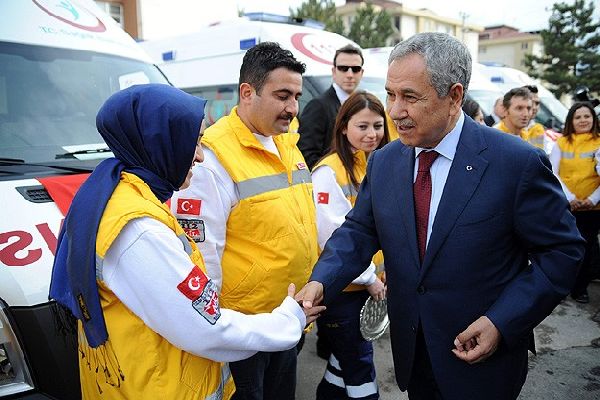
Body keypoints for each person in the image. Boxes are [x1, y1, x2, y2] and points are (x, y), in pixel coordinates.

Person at [296, 32, 584, 400]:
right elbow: (359, 231)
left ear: (455, 97)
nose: (395, 110)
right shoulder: (385, 161)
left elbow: (562, 253)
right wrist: (323, 280)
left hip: (483, 364)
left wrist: (502, 321)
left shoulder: (515, 163)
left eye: (410, 97)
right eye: (391, 94)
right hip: (413, 356)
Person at [48, 84, 324, 399]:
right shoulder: (138, 230)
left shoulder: (123, 196)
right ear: (158, 143)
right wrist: (288, 321)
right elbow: (205, 326)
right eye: (192, 142)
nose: (200, 155)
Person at [172, 42, 319, 400]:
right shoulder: (214, 157)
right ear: (247, 92)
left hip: (288, 317)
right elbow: (202, 254)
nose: (292, 108)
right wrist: (214, 333)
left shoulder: (285, 142)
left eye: (297, 96)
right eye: (282, 95)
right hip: (243, 331)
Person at [311, 90, 388, 400]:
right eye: (363, 126)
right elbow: (332, 236)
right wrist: (370, 279)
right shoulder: (329, 171)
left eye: (378, 126)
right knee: (359, 369)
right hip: (344, 291)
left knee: (343, 363)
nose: (372, 134)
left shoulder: (375, 163)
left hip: (366, 288)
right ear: (344, 127)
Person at [550, 101, 600, 304]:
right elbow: (553, 172)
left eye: (587, 116)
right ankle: (561, 288)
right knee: (565, 248)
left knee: (587, 249)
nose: (582, 120)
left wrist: (591, 199)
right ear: (571, 120)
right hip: (567, 206)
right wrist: (571, 199)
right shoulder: (561, 142)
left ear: (593, 119)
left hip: (593, 208)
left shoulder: (598, 142)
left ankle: (580, 289)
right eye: (578, 117)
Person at [298, 44, 364, 169]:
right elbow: (306, 154)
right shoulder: (318, 106)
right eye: (343, 68)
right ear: (334, 72)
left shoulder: (363, 105)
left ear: (361, 72)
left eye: (355, 69)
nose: (350, 74)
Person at [522, 85, 548, 151]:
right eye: (531, 102)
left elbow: (539, 155)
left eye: (537, 103)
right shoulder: (504, 127)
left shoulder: (538, 129)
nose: (534, 107)